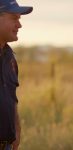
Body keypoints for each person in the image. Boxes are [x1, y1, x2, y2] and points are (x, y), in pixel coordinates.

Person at [0, 0, 33, 150]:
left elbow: (11, 99)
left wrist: (16, 129)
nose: (19, 25)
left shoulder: (10, 59)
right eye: (14, 18)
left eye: (19, 19)